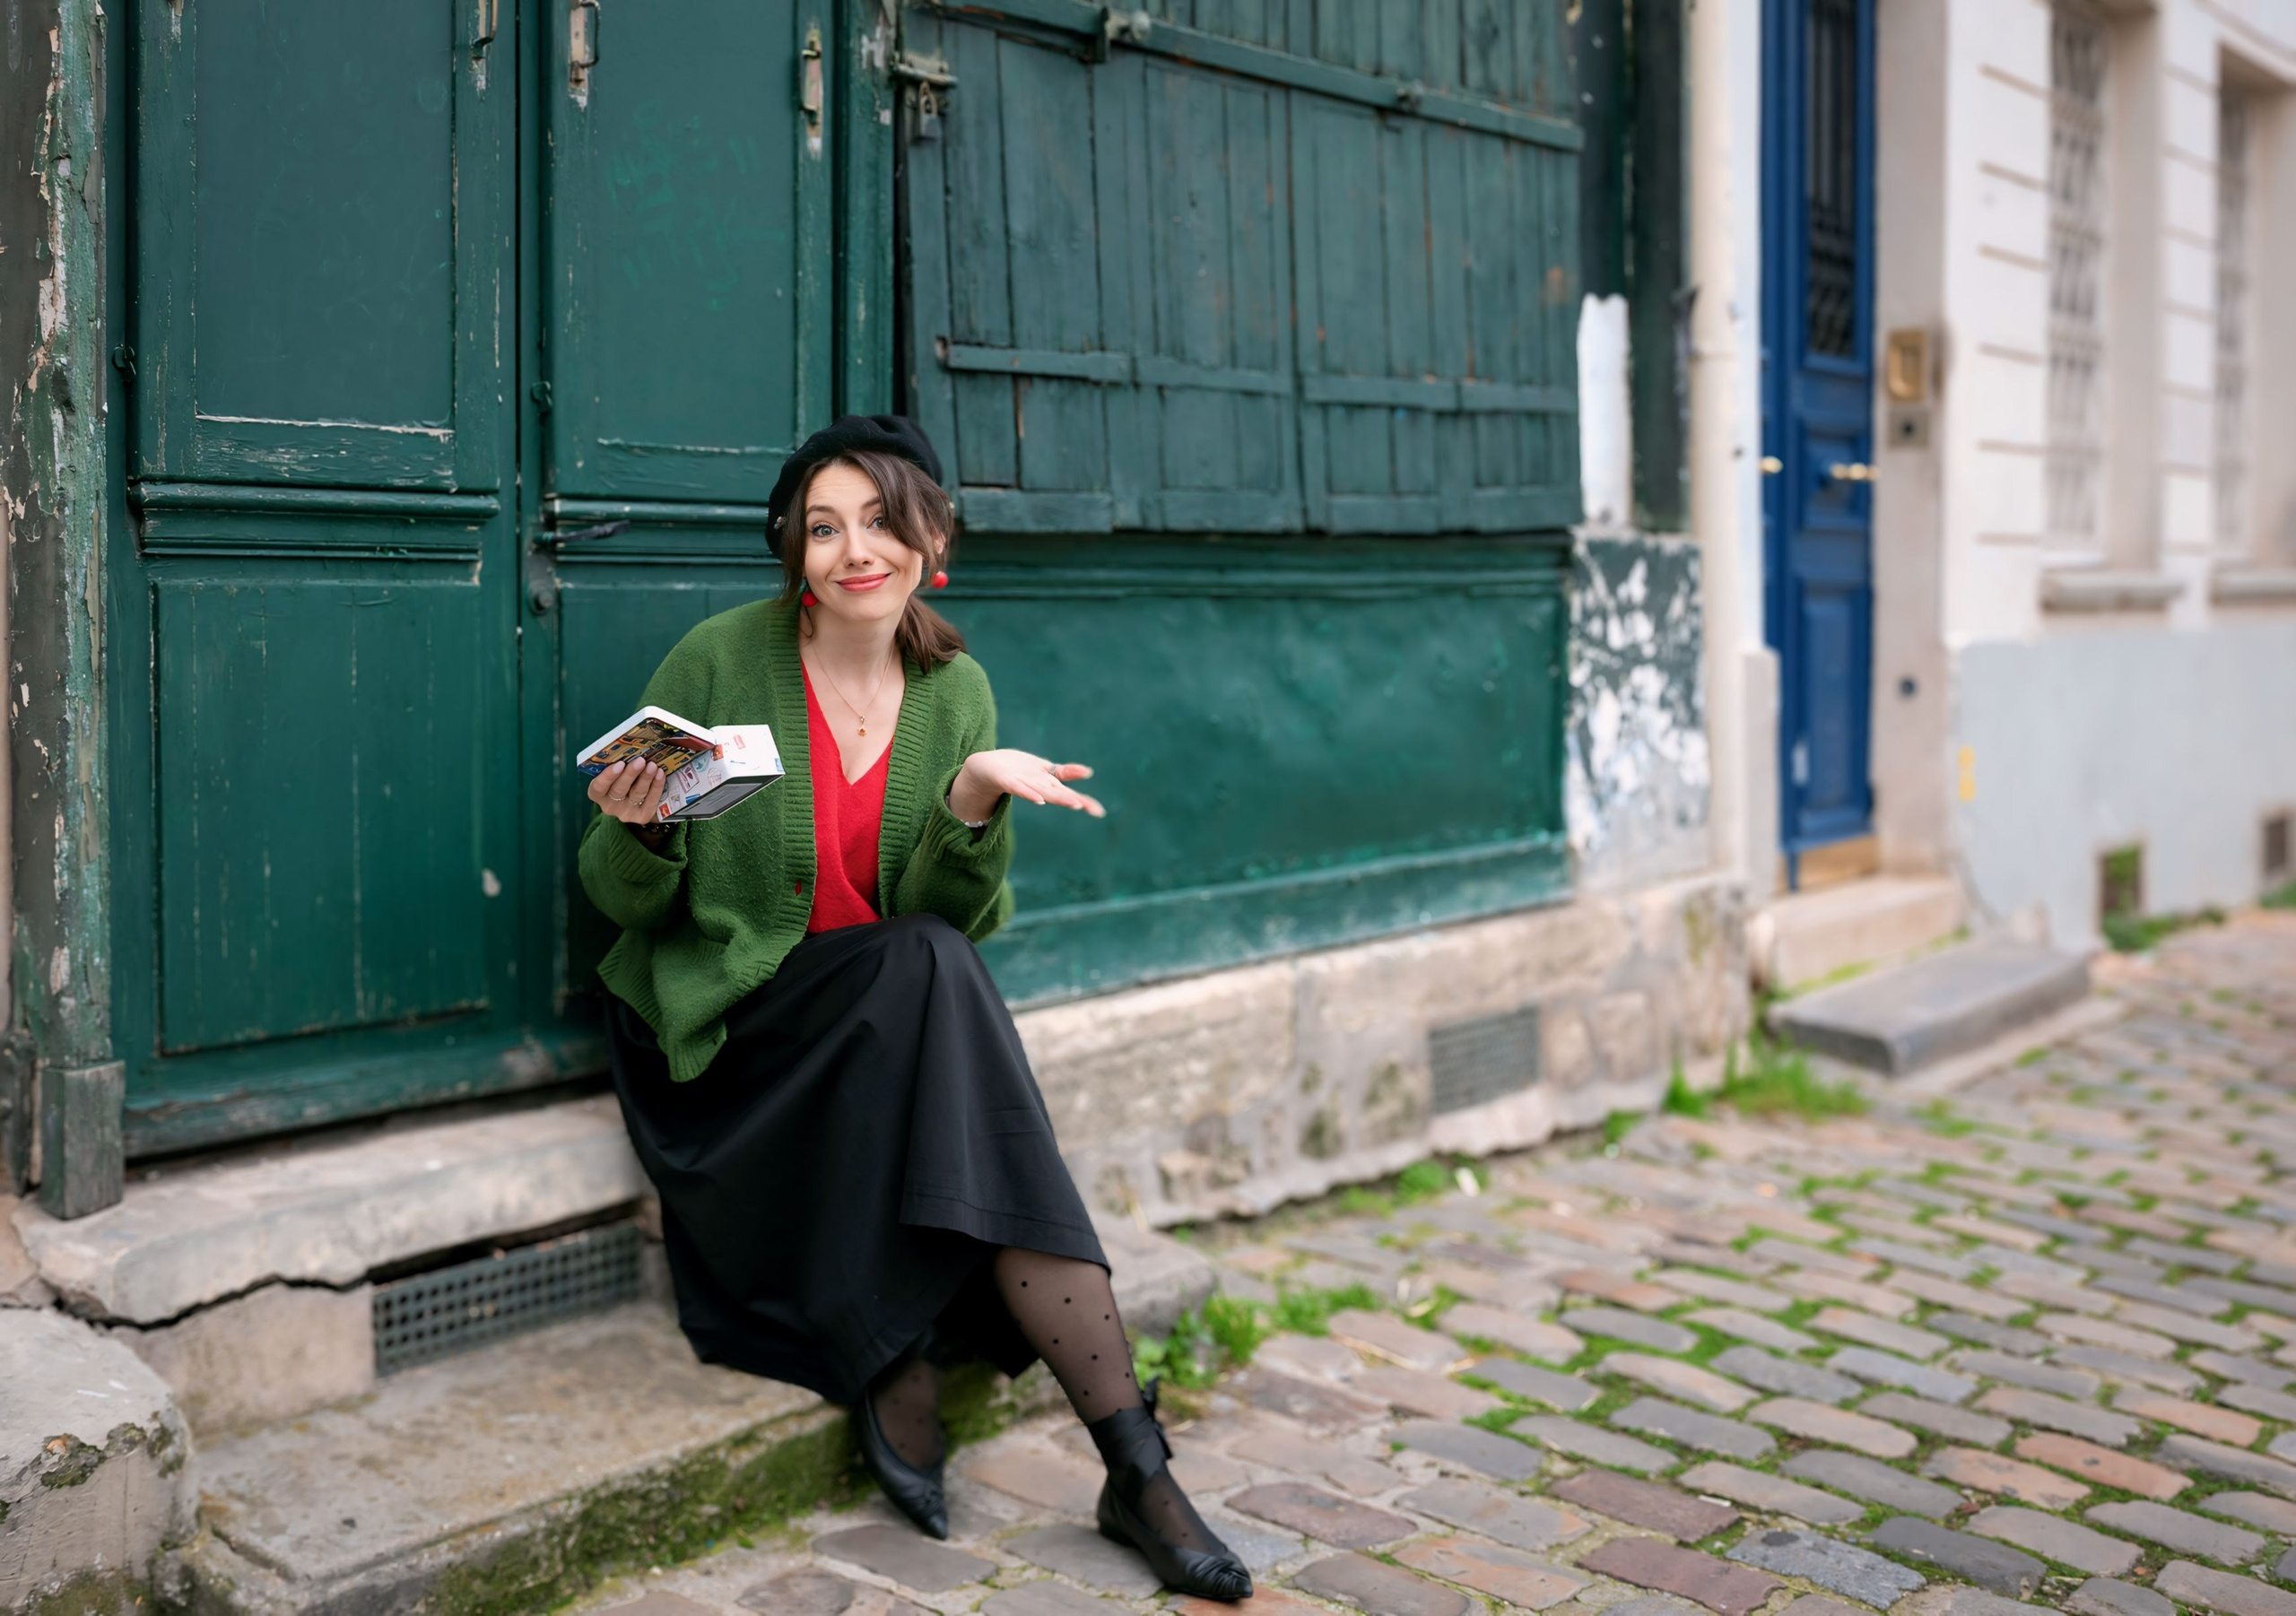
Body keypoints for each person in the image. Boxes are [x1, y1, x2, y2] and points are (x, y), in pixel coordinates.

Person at [578, 415, 1251, 1603]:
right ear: (793, 549)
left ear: (933, 535)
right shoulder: (717, 665)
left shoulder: (957, 692)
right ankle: (1015, 1403)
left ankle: (1124, 1457)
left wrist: (971, 802)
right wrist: (642, 827)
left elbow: (956, 918)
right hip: (734, 1046)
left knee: (932, 960)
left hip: (883, 1034)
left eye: (883, 522)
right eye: (823, 527)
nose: (854, 550)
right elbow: (617, 901)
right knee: (929, 971)